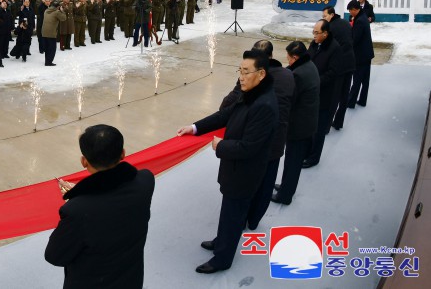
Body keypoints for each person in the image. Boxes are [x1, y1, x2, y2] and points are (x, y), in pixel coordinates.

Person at [177, 50, 278, 274]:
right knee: (229, 211)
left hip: (245, 171)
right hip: (235, 169)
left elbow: (250, 146)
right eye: (239, 71)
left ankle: (222, 259)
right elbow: (224, 115)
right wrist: (194, 128)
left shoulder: (264, 105)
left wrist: (220, 146)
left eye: (246, 72)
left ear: (261, 74)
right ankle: (222, 240)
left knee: (234, 214)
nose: (241, 77)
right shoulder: (250, 93)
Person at [45, 124, 154, 289]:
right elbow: (114, 199)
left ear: (84, 161)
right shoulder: (146, 181)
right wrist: (84, 193)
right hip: (131, 281)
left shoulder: (77, 211)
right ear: (123, 153)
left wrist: (79, 198)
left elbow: (55, 256)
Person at [218, 40, 293, 230]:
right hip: (276, 140)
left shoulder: (262, 84)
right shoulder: (287, 75)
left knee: (251, 183)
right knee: (265, 183)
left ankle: (244, 220)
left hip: (257, 139)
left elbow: (232, 101)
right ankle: (253, 219)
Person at [273, 41, 319, 205]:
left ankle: (285, 195)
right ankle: (285, 187)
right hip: (306, 122)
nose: (288, 61)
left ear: (295, 57)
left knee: (292, 163)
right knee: (293, 161)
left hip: (299, 126)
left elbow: (290, 98)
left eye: (289, 58)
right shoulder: (308, 65)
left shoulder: (300, 74)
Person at [303, 19, 343, 168]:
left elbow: (333, 73)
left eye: (316, 32)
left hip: (324, 95)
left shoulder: (335, 48)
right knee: (309, 126)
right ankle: (306, 153)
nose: (314, 35)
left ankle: (314, 158)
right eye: (313, 32)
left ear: (325, 34)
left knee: (319, 129)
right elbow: (306, 59)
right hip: (311, 94)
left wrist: (315, 81)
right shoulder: (314, 44)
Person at [346, 0, 374, 108]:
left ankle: (351, 102)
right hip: (367, 54)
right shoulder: (363, 17)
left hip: (361, 55)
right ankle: (362, 100)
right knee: (365, 80)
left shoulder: (359, 21)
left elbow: (355, 39)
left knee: (357, 79)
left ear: (354, 9)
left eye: (350, 11)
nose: (350, 13)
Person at [41, 0, 66, 67]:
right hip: (51, 33)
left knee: (47, 48)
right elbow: (63, 18)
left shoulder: (46, 10)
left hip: (44, 32)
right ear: (58, 7)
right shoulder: (57, 12)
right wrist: (62, 11)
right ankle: (49, 62)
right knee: (52, 48)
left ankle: (47, 61)